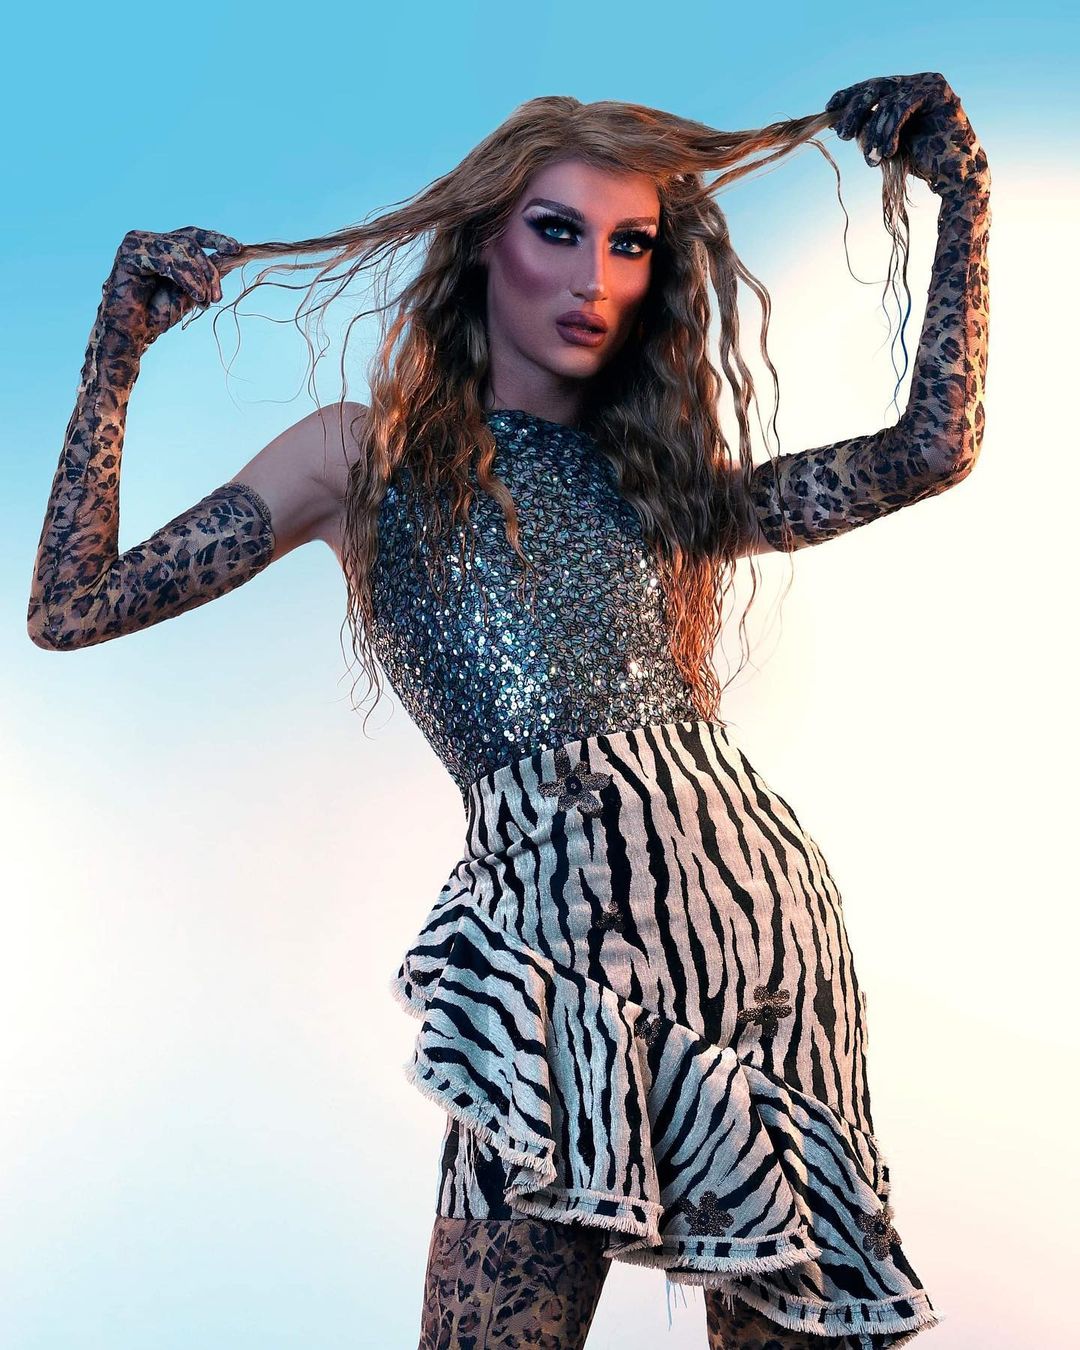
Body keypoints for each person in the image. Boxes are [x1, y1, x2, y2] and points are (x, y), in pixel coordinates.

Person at [27, 72, 990, 1349]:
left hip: (756, 922)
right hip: (551, 921)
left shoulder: (662, 478)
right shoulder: (359, 455)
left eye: (630, 244)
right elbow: (71, 607)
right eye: (558, 231)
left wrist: (963, 202)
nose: (594, 277)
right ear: (487, 239)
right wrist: (114, 358)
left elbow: (929, 451)